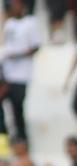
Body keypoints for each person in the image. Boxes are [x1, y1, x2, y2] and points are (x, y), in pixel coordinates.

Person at [0, 0, 38, 151]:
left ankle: (24, 146)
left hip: (21, 76)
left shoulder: (31, 22)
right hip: (7, 76)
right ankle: (3, 147)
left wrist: (17, 55)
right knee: (1, 113)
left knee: (17, 111)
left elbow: (36, 47)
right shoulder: (9, 24)